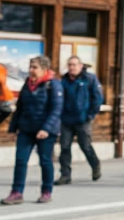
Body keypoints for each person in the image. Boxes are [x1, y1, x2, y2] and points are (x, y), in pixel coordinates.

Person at [5, 56, 64, 205]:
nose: (31, 70)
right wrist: (13, 128)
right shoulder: (28, 83)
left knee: (45, 161)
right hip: (26, 129)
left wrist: (46, 128)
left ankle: (46, 191)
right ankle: (17, 192)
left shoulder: (53, 85)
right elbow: (20, 107)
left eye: (35, 67)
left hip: (45, 131)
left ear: (44, 69)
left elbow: (56, 109)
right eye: (30, 67)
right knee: (20, 160)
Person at [58, 56, 105, 184]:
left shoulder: (89, 79)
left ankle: (95, 164)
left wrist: (90, 115)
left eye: (74, 65)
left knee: (85, 146)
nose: (71, 67)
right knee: (64, 147)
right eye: (69, 65)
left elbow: (98, 98)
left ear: (80, 66)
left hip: (83, 119)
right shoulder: (64, 80)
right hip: (66, 119)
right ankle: (65, 175)